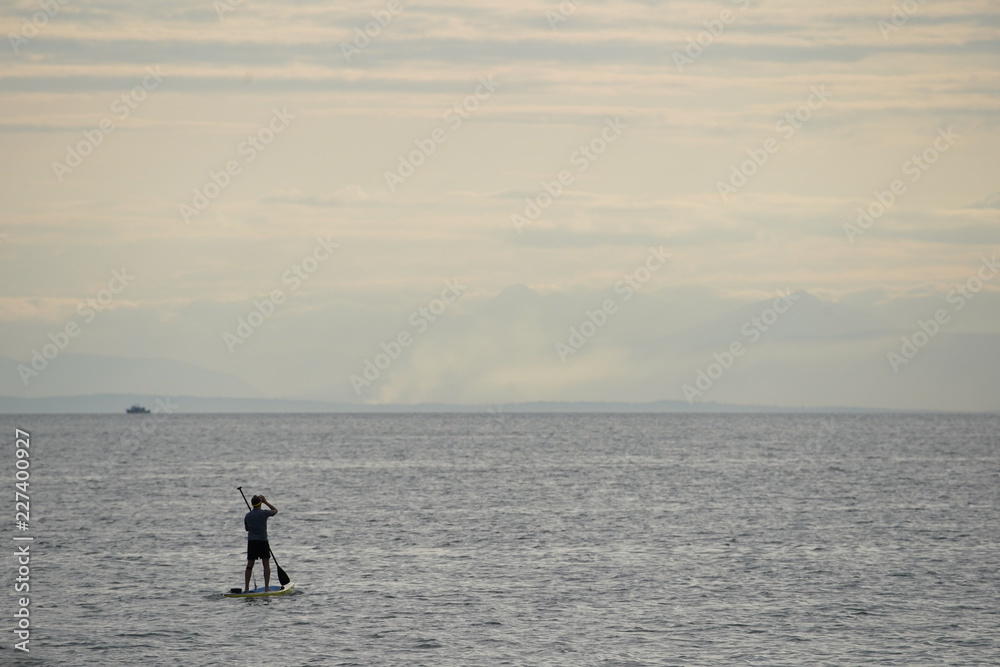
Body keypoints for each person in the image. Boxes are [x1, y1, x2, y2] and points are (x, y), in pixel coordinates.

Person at [244, 494, 278, 592]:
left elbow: (247, 529)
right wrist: (266, 502)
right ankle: (267, 587)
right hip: (262, 541)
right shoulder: (264, 513)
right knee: (266, 564)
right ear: (260, 503)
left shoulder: (248, 515)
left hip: (252, 542)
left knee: (250, 565)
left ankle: (246, 588)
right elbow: (275, 511)